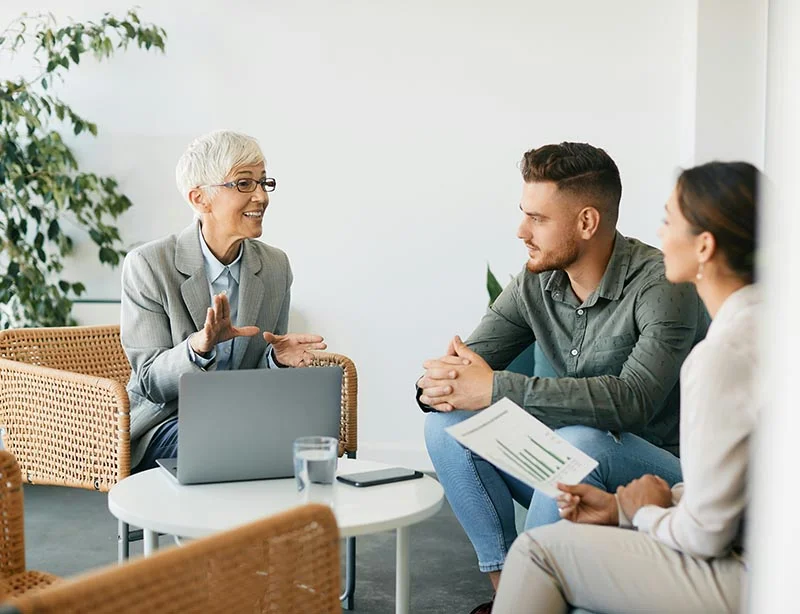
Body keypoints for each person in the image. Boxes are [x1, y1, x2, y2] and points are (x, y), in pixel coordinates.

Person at [418, 142, 709, 612]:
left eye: (538, 218)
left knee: (581, 441)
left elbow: (633, 401)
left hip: (659, 475)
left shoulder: (661, 285)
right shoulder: (537, 279)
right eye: (523, 214)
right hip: (565, 469)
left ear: (587, 222)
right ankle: (508, 591)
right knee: (445, 427)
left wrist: (493, 387)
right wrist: (437, 386)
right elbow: (467, 363)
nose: (521, 231)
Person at [492, 160, 759, 614]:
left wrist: (641, 513)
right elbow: (746, 490)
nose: (658, 236)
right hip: (754, 542)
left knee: (538, 551)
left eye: (668, 220)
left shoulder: (722, 357)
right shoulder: (764, 327)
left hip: (758, 573)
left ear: (704, 247)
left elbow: (707, 534)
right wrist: (620, 508)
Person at [121, 130, 326, 472]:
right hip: (166, 422)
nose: (261, 197)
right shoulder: (148, 265)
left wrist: (276, 361)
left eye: (264, 182)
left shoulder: (275, 266)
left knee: (311, 441)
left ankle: (301, 525)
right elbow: (148, 382)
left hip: (244, 417)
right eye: (245, 184)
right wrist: (198, 349)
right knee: (231, 442)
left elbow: (258, 372)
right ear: (201, 199)